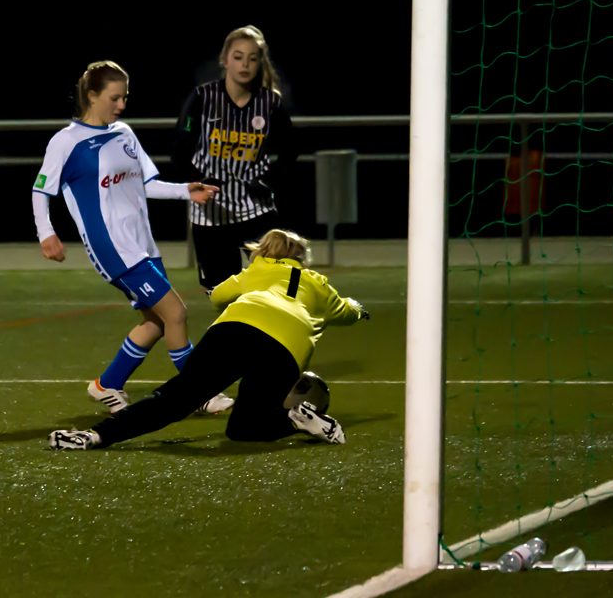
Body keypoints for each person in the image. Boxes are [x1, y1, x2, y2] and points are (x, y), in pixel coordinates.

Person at [47, 229, 370, 450]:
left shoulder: (255, 271)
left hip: (235, 328)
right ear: (302, 258)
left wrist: (222, 289)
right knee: (246, 428)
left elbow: (219, 297)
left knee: (173, 399)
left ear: (264, 252)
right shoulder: (318, 284)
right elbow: (347, 312)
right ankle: (297, 418)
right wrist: (360, 309)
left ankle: (95, 437)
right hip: (285, 347)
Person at [32, 60, 233, 415]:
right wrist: (46, 232)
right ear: (91, 96)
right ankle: (198, 392)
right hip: (113, 247)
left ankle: (106, 385)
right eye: (114, 98)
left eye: (124, 97)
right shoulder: (66, 142)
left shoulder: (124, 132)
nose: (122, 105)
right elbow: (40, 191)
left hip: (142, 244)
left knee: (156, 323)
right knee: (176, 313)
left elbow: (147, 184)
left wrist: (187, 191)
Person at [172, 25, 299, 293]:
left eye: (253, 58)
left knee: (283, 285)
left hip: (256, 208)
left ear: (260, 62)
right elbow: (179, 149)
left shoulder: (270, 103)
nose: (245, 64)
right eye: (238, 56)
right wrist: (198, 180)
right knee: (221, 295)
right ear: (225, 60)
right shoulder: (203, 98)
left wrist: (268, 180)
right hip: (210, 214)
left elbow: (290, 150)